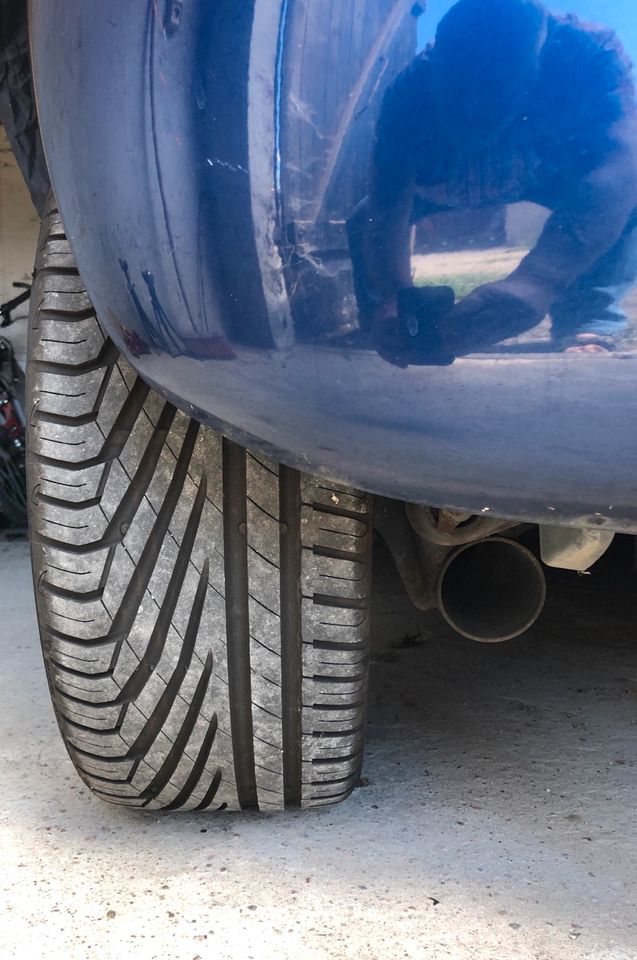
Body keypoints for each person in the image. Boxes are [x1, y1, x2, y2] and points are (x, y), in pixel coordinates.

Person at [349, 0, 637, 364]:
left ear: (539, 54)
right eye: (459, 84)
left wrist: (540, 279)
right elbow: (387, 198)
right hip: (448, 179)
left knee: (625, 199)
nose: (474, 103)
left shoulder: (589, 53)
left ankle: (589, 317)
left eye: (495, 85)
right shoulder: (410, 87)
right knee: (364, 219)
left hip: (542, 170)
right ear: (440, 60)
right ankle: (382, 325)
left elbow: (621, 162)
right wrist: (393, 296)